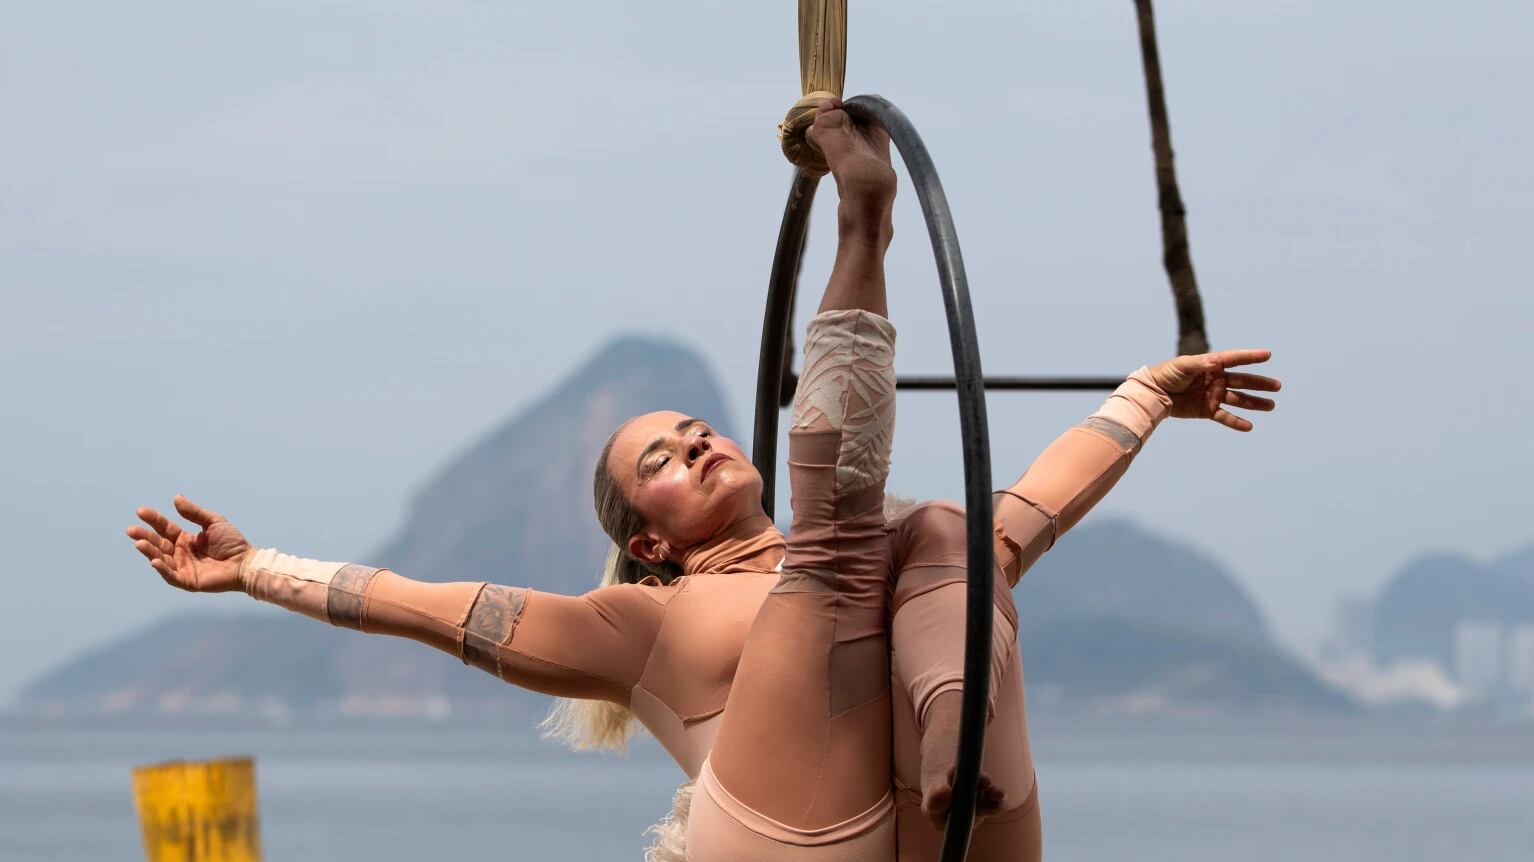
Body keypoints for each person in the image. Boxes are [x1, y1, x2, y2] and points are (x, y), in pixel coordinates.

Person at [126, 101, 1280, 860]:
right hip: (787, 834)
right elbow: (417, 605)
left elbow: (1029, 503)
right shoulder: (639, 622)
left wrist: (1143, 395)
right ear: (654, 541)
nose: (695, 447)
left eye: (690, 430)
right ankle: (862, 230)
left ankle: (950, 733)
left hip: (941, 820)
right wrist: (254, 568)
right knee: (840, 549)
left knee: (946, 532)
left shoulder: (888, 546)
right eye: (660, 464)